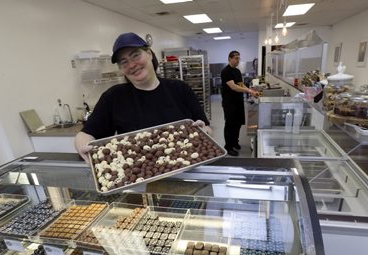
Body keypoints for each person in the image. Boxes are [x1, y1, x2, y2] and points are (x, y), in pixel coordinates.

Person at [75, 32, 211, 161]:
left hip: (187, 169)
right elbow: (85, 134)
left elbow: (206, 128)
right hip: (139, 177)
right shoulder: (114, 97)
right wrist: (82, 146)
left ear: (149, 54)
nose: (132, 65)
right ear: (121, 69)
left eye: (135, 56)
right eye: (124, 62)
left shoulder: (180, 89)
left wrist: (205, 133)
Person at [220, 50, 259, 156]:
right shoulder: (226, 72)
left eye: (239, 58)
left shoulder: (237, 71)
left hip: (238, 102)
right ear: (230, 58)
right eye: (236, 58)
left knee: (237, 123)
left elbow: (241, 85)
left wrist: (251, 91)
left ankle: (235, 142)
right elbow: (233, 87)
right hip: (229, 103)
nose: (238, 60)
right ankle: (228, 146)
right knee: (230, 124)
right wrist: (249, 91)